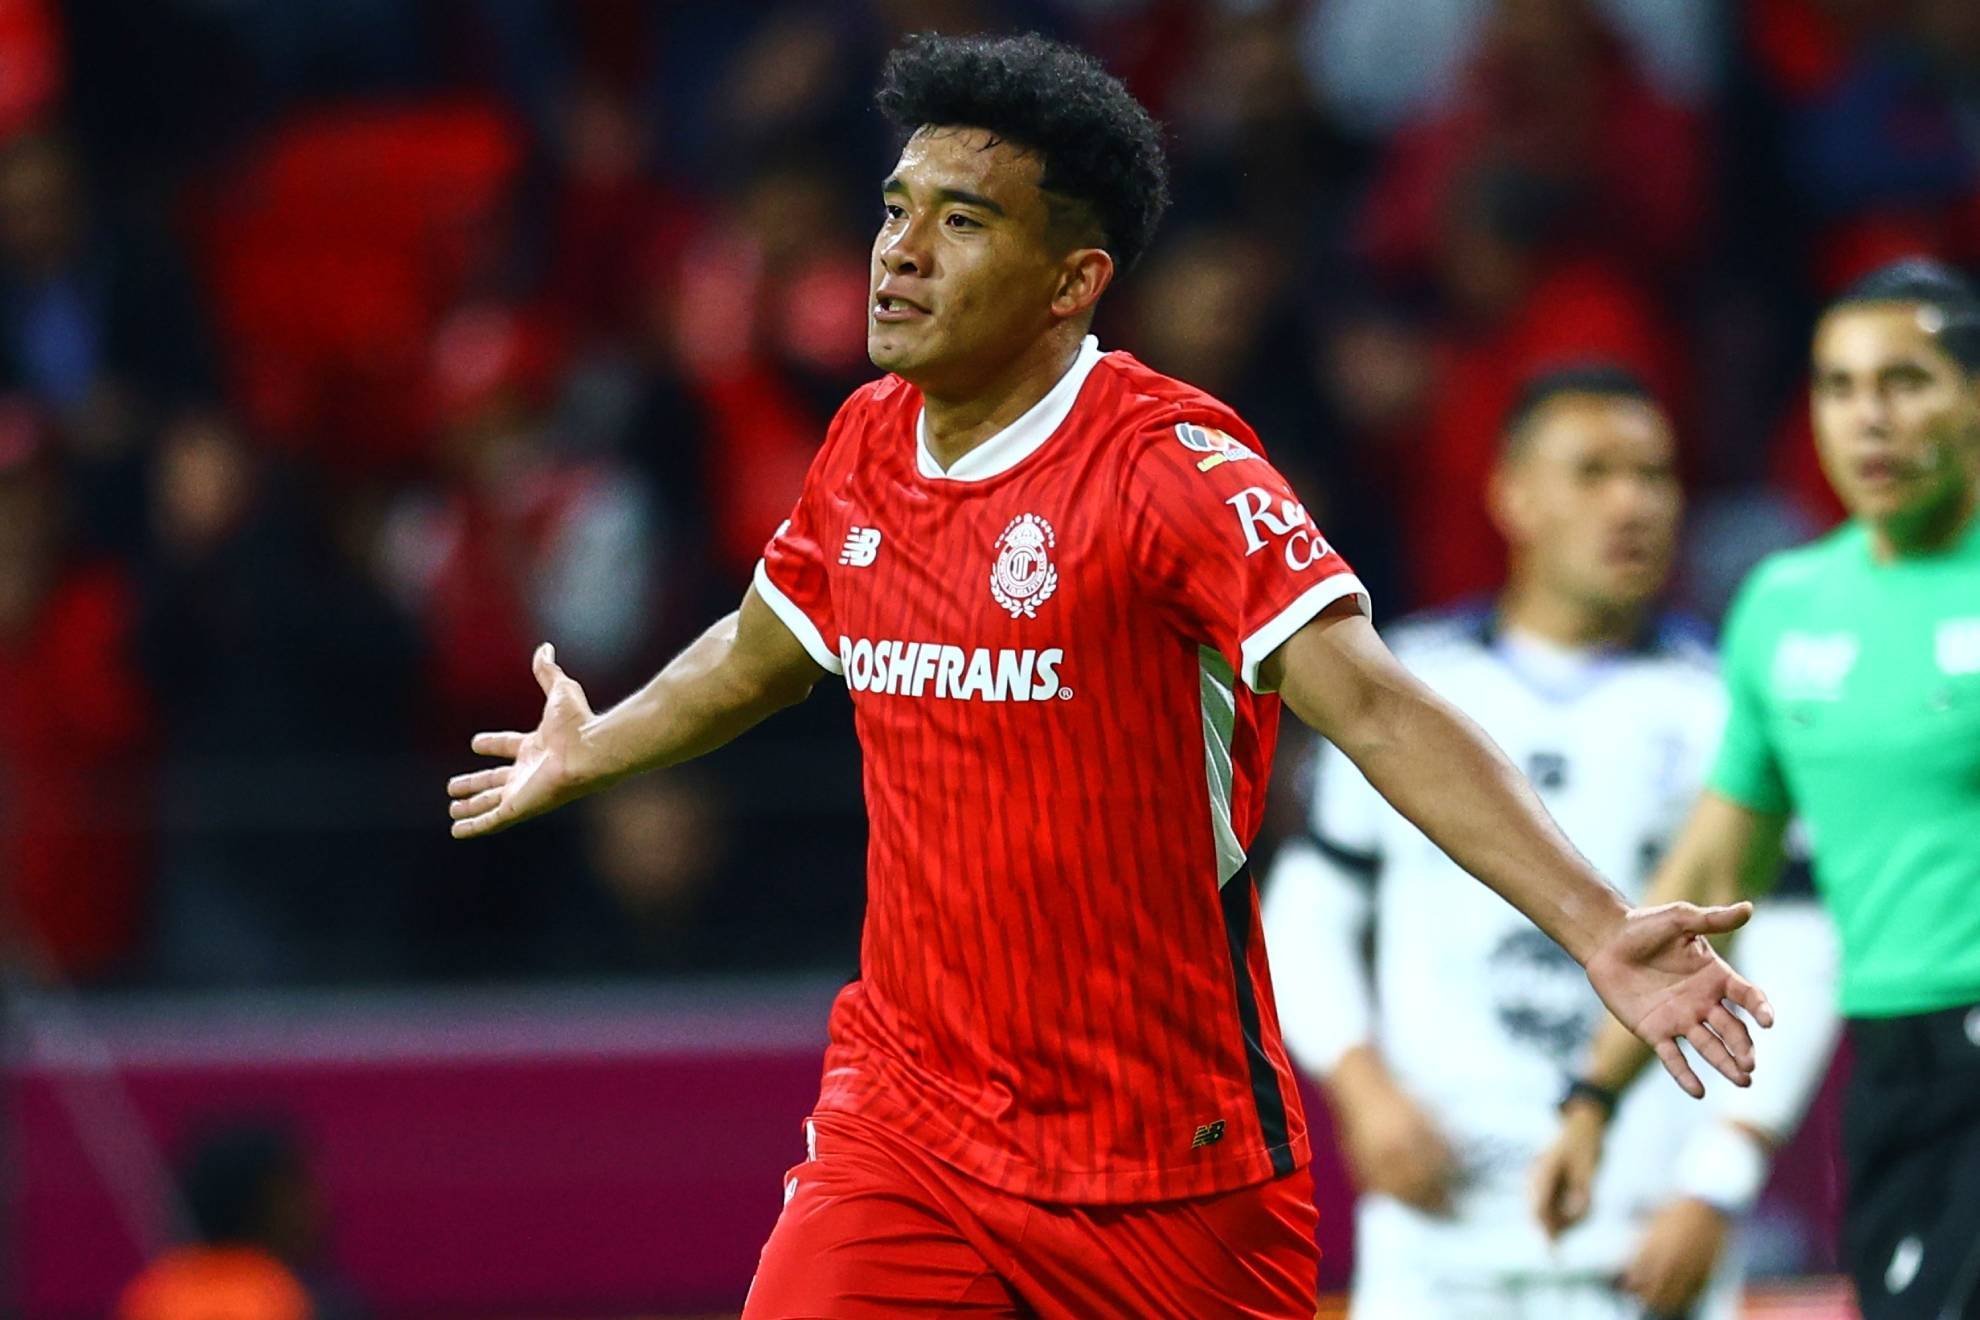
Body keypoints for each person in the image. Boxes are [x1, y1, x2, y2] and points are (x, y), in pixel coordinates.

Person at [447, 33, 1772, 1317]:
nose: (901, 250)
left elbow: (1372, 705)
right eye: (897, 210)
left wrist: (1598, 925)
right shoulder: (864, 444)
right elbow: (760, 654)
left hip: (1166, 1167)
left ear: (1071, 280)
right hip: (910, 1126)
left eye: (962, 222)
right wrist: (598, 742)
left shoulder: (1170, 470)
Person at [1262, 366, 1840, 1319]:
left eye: (1655, 475)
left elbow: (1799, 948)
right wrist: (1361, 1091)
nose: (1633, 503)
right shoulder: (1407, 694)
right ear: (1513, 495)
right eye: (1594, 472)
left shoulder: (1719, 713)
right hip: (1436, 1240)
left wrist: (1720, 1178)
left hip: (1643, 1239)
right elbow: (1308, 912)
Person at [1531, 257, 1980, 1320]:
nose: (1869, 418)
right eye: (1839, 385)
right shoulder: (1787, 607)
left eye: (1906, 381)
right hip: (1896, 1070)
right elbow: (1708, 867)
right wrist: (1595, 1094)